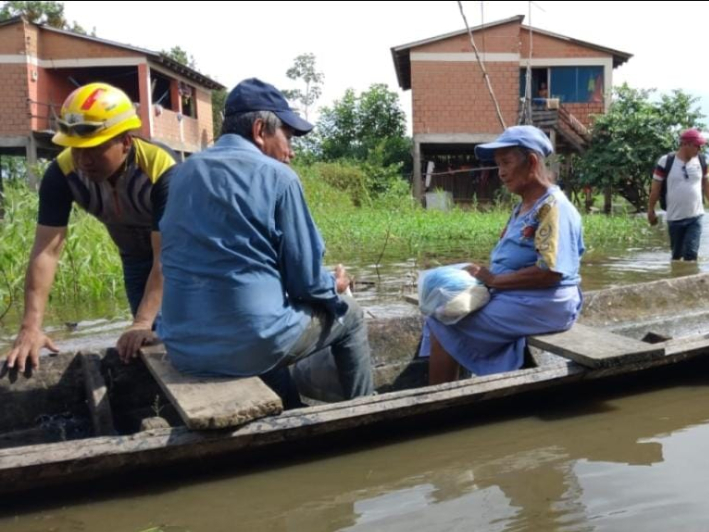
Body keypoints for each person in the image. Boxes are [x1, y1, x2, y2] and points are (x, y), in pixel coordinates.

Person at [156, 78, 373, 405]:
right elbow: (307, 284)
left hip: (183, 348)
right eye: (287, 135)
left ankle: (289, 408)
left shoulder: (183, 173)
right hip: (250, 344)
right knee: (351, 316)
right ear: (260, 130)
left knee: (262, 316)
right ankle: (367, 410)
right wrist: (336, 286)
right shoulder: (279, 177)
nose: (291, 150)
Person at [4, 83, 177, 372]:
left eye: (95, 149)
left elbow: (167, 257)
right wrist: (30, 327)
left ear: (125, 140)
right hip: (134, 256)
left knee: (174, 330)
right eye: (77, 149)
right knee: (146, 342)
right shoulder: (61, 173)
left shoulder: (161, 169)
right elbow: (46, 251)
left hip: (179, 256)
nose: (83, 160)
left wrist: (143, 323)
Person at [420, 125, 585, 384]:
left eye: (506, 162)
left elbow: (550, 273)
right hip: (521, 297)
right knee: (445, 307)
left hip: (547, 303)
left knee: (442, 321)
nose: (501, 172)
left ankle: (437, 401)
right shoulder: (525, 206)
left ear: (531, 162)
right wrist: (484, 276)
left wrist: (494, 281)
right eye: (498, 165)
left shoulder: (554, 207)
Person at [646, 128, 709, 261]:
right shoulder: (666, 161)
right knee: (676, 257)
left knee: (691, 255)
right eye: (697, 146)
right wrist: (650, 210)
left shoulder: (701, 161)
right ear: (686, 144)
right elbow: (655, 189)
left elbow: (708, 186)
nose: (699, 149)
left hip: (695, 216)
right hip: (674, 217)